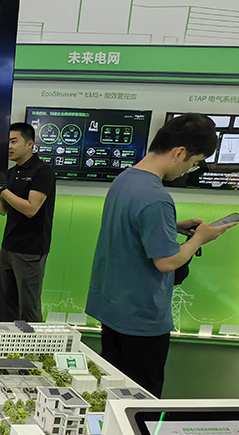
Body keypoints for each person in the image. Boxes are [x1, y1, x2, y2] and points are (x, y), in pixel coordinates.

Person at [85, 114, 236, 398]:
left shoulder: (125, 179)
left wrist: (172, 227)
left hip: (113, 308)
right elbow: (167, 262)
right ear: (179, 152)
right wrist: (200, 238)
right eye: (194, 162)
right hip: (141, 320)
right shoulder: (156, 197)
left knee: (111, 392)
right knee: (139, 399)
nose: (189, 169)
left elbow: (131, 228)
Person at [0, 123, 55, 322]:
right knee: (6, 304)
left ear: (30, 144)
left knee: (28, 307)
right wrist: (1, 197)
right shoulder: (10, 173)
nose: (9, 147)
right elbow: (2, 211)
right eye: (7, 142)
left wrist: (3, 191)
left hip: (30, 250)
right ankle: (7, 342)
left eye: (14, 141)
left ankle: (32, 342)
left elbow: (31, 209)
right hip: (8, 247)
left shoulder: (42, 171)